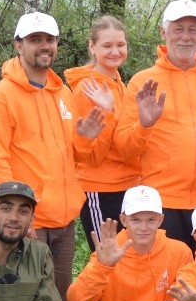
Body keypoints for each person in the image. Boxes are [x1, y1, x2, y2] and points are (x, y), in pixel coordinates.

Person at [0, 11, 107, 299]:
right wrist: (15, 216)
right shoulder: (1, 96)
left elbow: (73, 157)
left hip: (64, 222)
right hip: (28, 221)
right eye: (35, 39)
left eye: (49, 39)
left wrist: (85, 140)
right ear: (19, 45)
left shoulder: (62, 94)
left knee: (56, 300)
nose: (43, 46)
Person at [115, 0, 196, 251]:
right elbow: (124, 150)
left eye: (193, 29)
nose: (185, 37)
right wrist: (145, 125)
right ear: (163, 33)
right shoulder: (143, 81)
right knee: (167, 283)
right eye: (178, 29)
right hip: (161, 204)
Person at [64, 16, 167, 253]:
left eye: (120, 45)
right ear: (92, 47)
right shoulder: (87, 89)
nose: (115, 51)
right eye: (107, 46)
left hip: (127, 186)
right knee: (108, 259)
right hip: (100, 190)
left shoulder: (120, 84)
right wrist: (107, 111)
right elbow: (93, 156)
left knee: (129, 259)